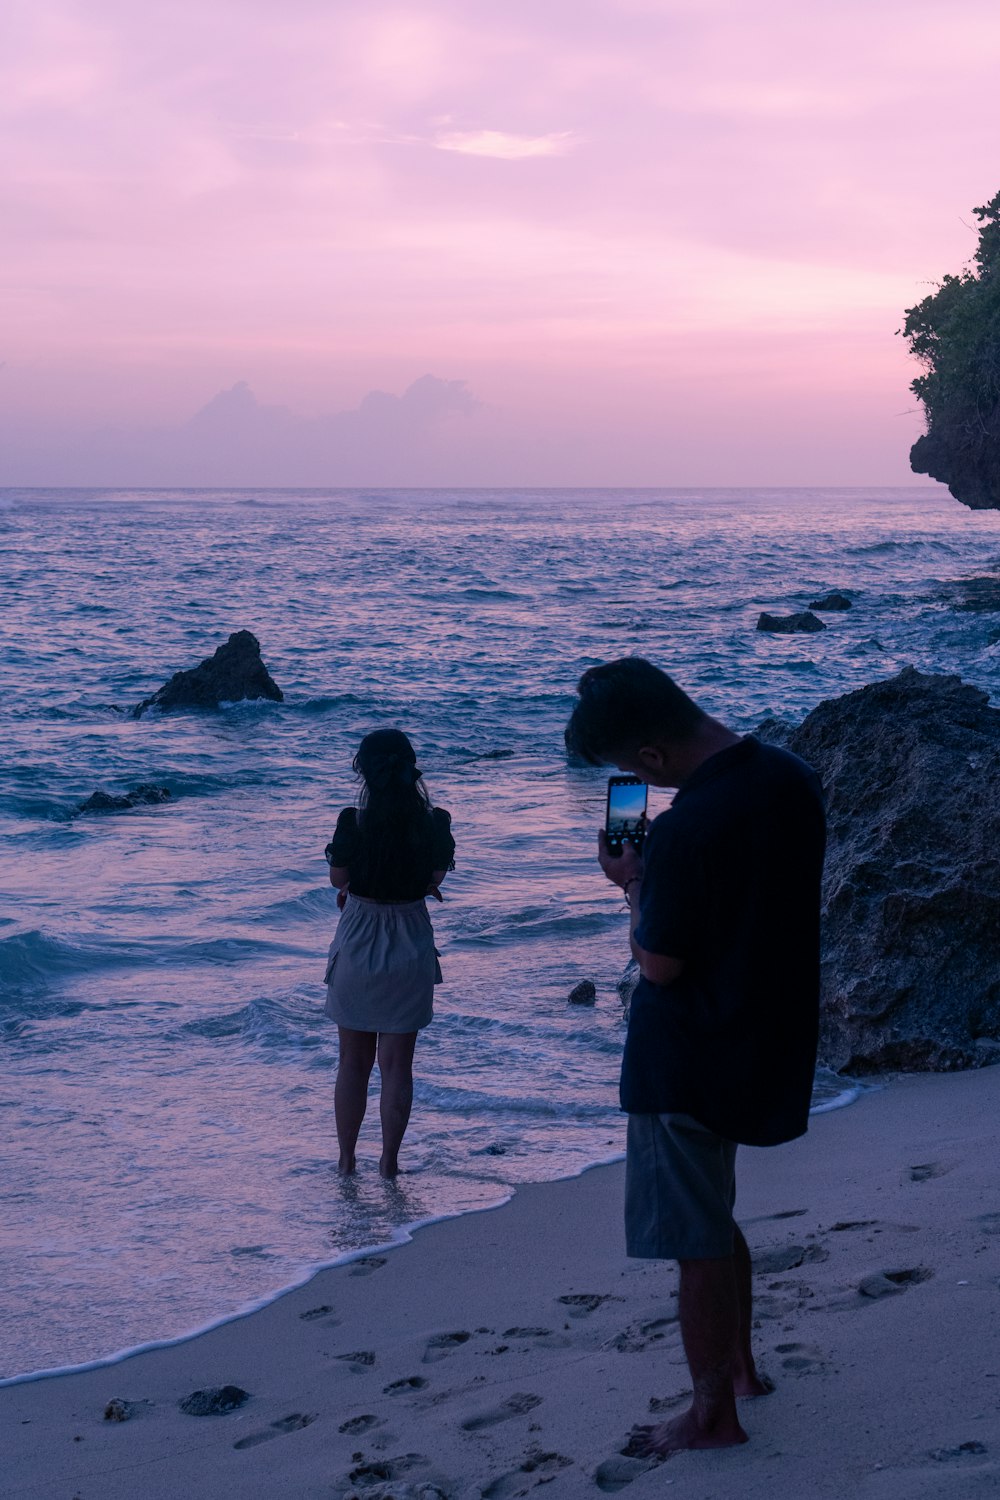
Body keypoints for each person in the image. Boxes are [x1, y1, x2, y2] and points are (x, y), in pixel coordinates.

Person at [565, 657, 825, 1458]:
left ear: (648, 757)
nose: (629, 778)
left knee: (694, 1236)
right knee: (715, 1214)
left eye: (622, 767)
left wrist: (631, 883)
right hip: (764, 1033)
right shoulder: (789, 776)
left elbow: (660, 962)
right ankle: (740, 1369)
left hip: (685, 1053)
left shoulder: (683, 830)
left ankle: (711, 1413)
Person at [323, 729, 455, 1178]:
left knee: (352, 1062)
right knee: (398, 1065)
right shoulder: (435, 821)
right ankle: (390, 1163)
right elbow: (433, 875)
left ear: (364, 771)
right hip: (409, 937)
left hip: (359, 936)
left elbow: (339, 879)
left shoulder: (352, 822)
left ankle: (345, 1161)